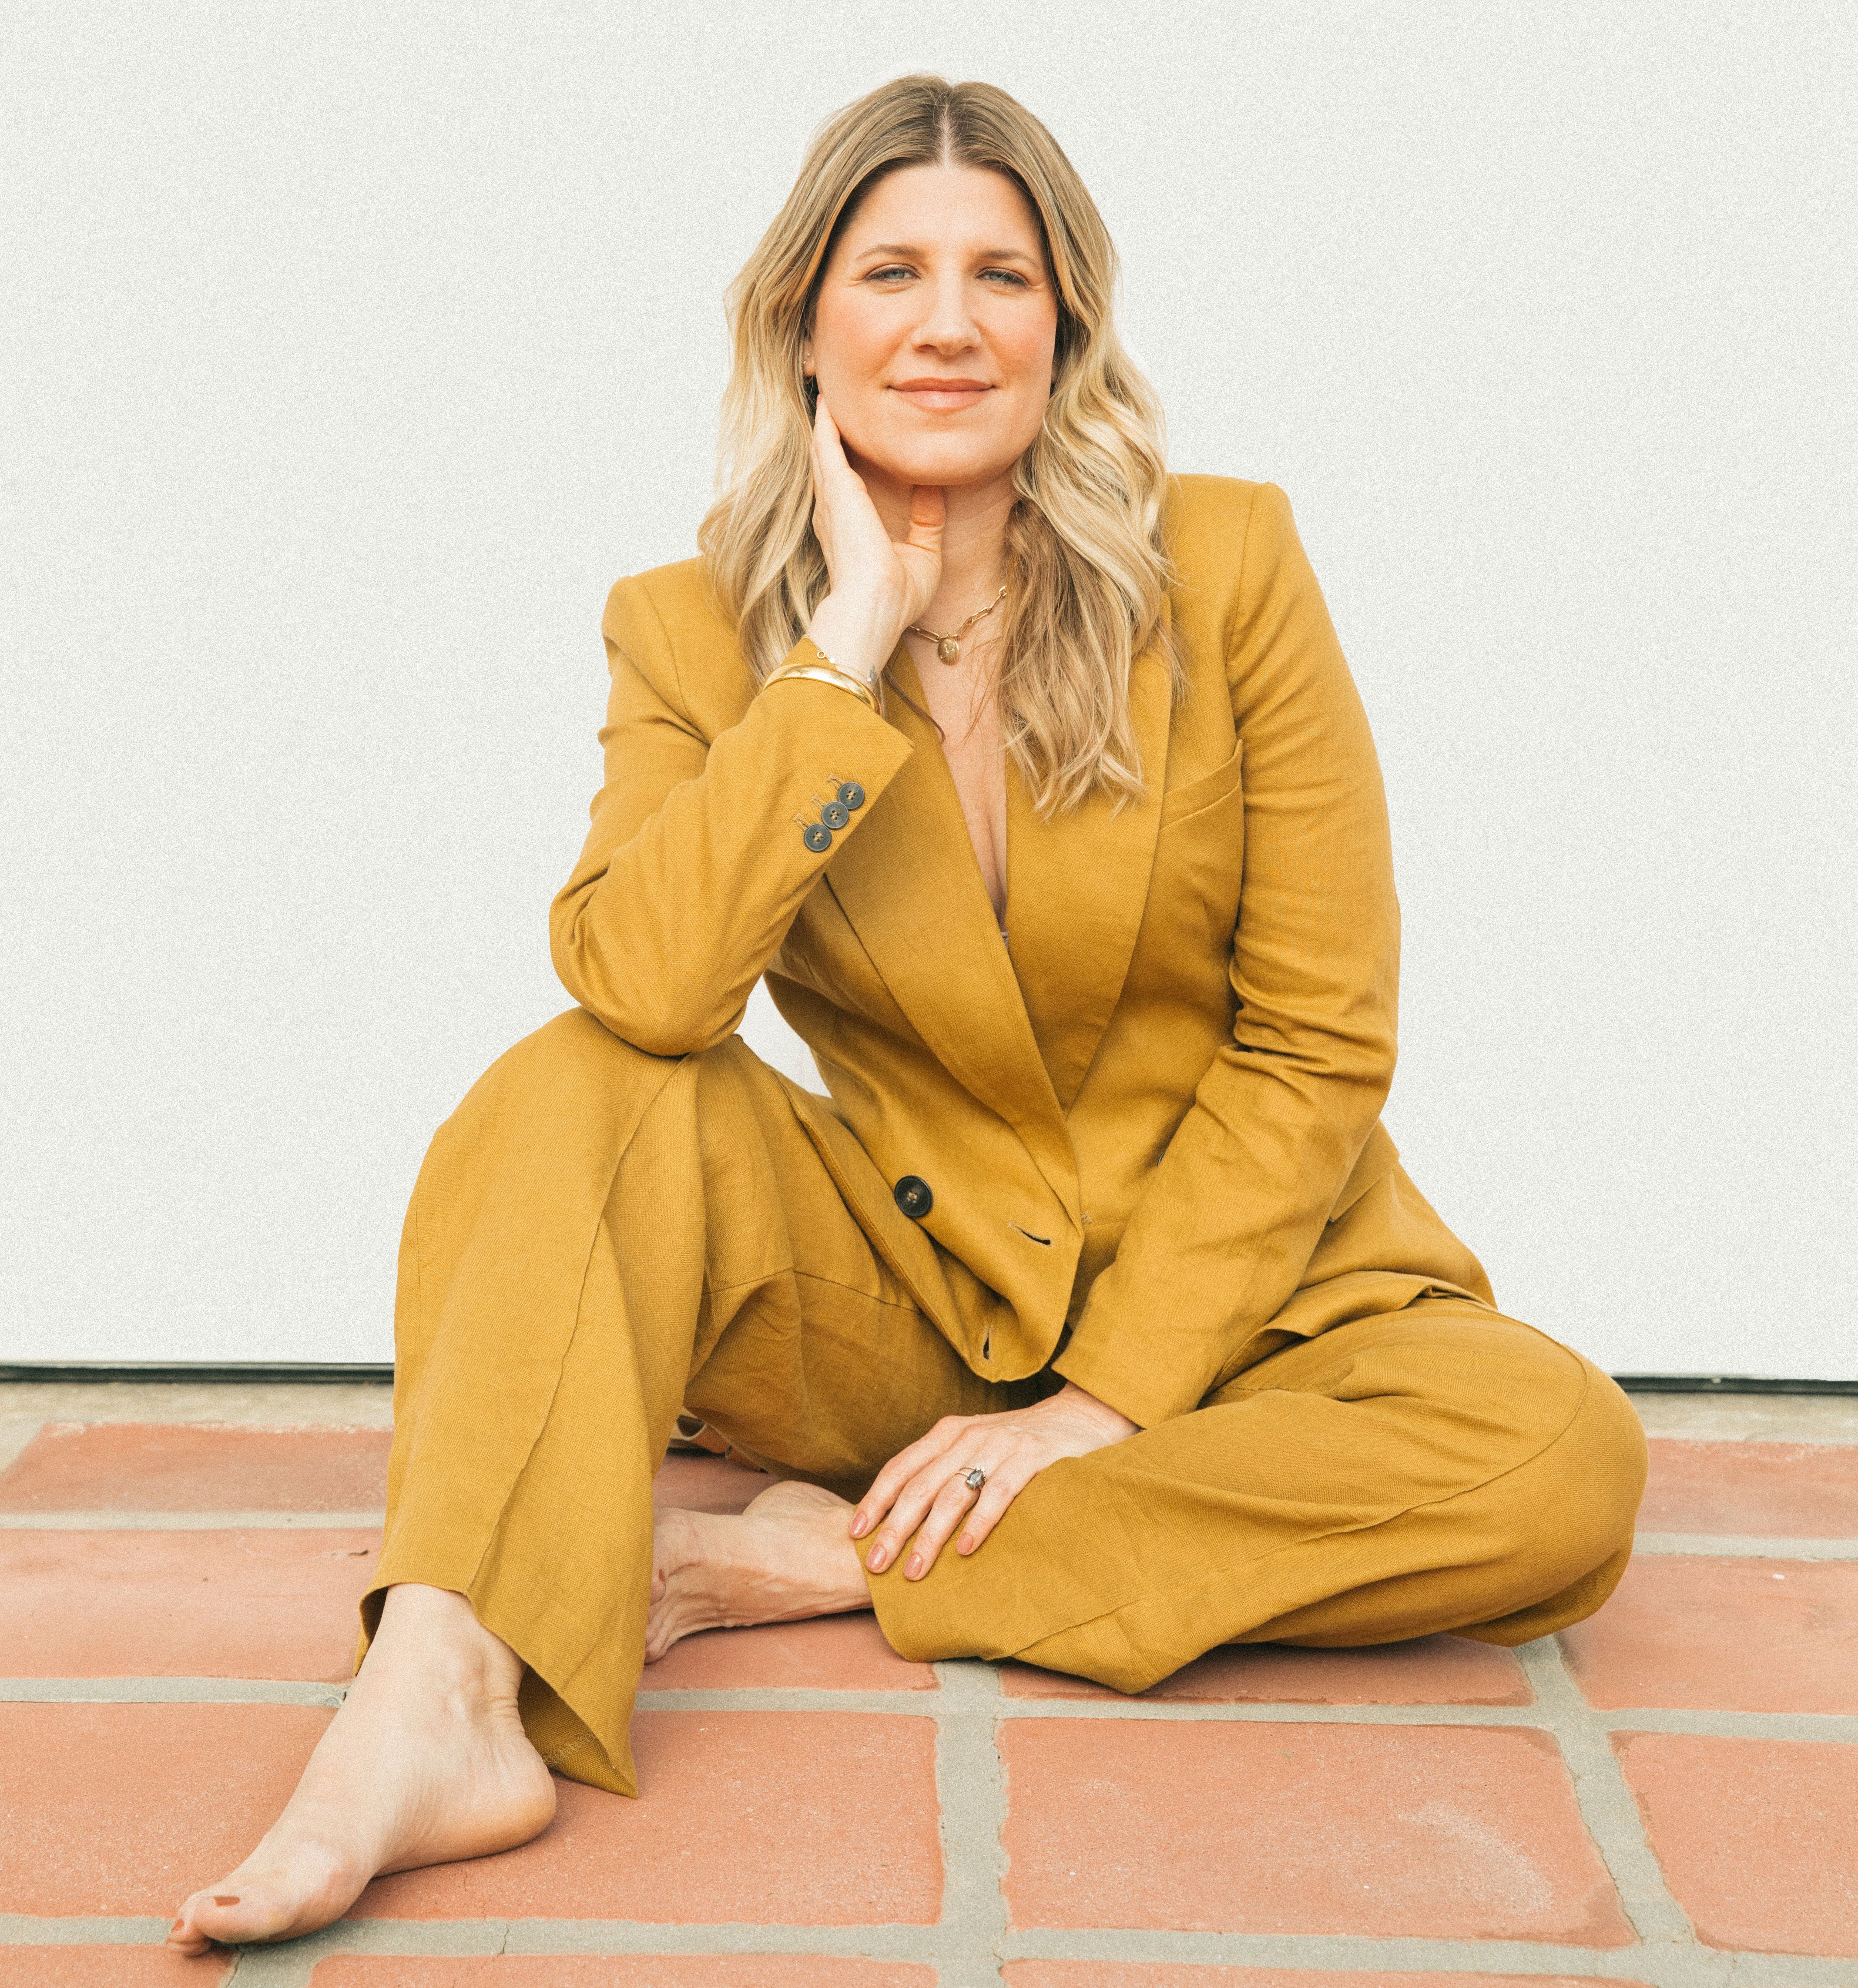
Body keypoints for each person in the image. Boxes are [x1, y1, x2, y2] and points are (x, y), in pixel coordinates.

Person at [169, 72, 1647, 1956]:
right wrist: (838, 641)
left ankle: (812, 1560)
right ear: (806, 323)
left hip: (1265, 1305)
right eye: (891, 272)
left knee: (1560, 1466)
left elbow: (1320, 1036)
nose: (948, 323)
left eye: (999, 277)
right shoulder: (691, 630)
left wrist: (1107, 1402)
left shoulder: (1235, 568)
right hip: (921, 1303)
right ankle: (439, 1694)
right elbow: (645, 986)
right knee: (572, 1085)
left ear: (1066, 327)